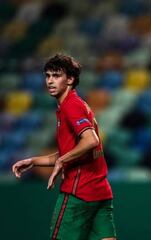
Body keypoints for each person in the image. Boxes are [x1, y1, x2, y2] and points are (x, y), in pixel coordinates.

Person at [12, 53, 117, 240]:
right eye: (48, 75)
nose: (50, 81)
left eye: (57, 76)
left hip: (78, 193)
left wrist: (61, 160)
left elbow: (90, 140)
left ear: (70, 79)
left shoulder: (71, 106)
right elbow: (73, 152)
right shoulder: (77, 104)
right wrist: (34, 161)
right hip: (100, 193)